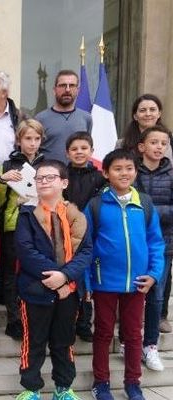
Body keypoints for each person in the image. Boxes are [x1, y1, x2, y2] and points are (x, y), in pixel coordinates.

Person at [86, 149, 164, 400]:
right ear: (106, 173)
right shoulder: (96, 205)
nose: (124, 173)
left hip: (138, 283)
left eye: (129, 168)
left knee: (132, 334)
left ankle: (133, 383)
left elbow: (156, 243)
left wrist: (153, 274)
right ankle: (101, 382)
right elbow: (85, 246)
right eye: (117, 169)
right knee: (103, 333)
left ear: (135, 171)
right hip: (104, 282)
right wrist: (87, 281)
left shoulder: (144, 203)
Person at [14, 160, 92, 400]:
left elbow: (86, 252)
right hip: (37, 290)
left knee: (64, 341)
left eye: (50, 177)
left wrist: (65, 276)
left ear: (64, 183)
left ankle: (63, 387)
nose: (44, 182)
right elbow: (26, 251)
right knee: (34, 341)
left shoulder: (77, 217)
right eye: (39, 178)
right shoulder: (27, 214)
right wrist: (56, 277)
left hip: (68, 292)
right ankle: (31, 388)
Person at [0, 119, 45, 340]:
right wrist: (2, 181)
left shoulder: (48, 165)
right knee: (11, 274)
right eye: (27, 139)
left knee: (36, 272)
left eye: (36, 139)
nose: (32, 143)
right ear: (19, 140)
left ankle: (33, 317)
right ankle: (13, 319)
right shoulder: (7, 165)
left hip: (41, 224)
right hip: (14, 224)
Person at [133, 125, 173, 371]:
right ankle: (131, 340)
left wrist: (150, 212)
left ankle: (150, 345)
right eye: (154, 142)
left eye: (163, 143)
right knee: (132, 293)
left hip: (164, 244)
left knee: (156, 295)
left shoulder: (171, 174)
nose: (159, 147)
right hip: (134, 244)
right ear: (142, 146)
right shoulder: (130, 171)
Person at [62, 131, 106, 343]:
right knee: (71, 277)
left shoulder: (99, 177)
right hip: (66, 233)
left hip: (91, 233)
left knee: (87, 278)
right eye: (74, 149)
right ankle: (68, 323)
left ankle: (84, 323)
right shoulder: (62, 175)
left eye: (84, 148)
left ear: (92, 151)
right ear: (67, 153)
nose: (79, 152)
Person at [35, 70, 92, 164]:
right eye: (63, 85)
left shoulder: (86, 118)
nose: (67, 90)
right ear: (54, 90)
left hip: (78, 175)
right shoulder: (40, 119)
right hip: (50, 175)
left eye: (72, 85)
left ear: (78, 91)